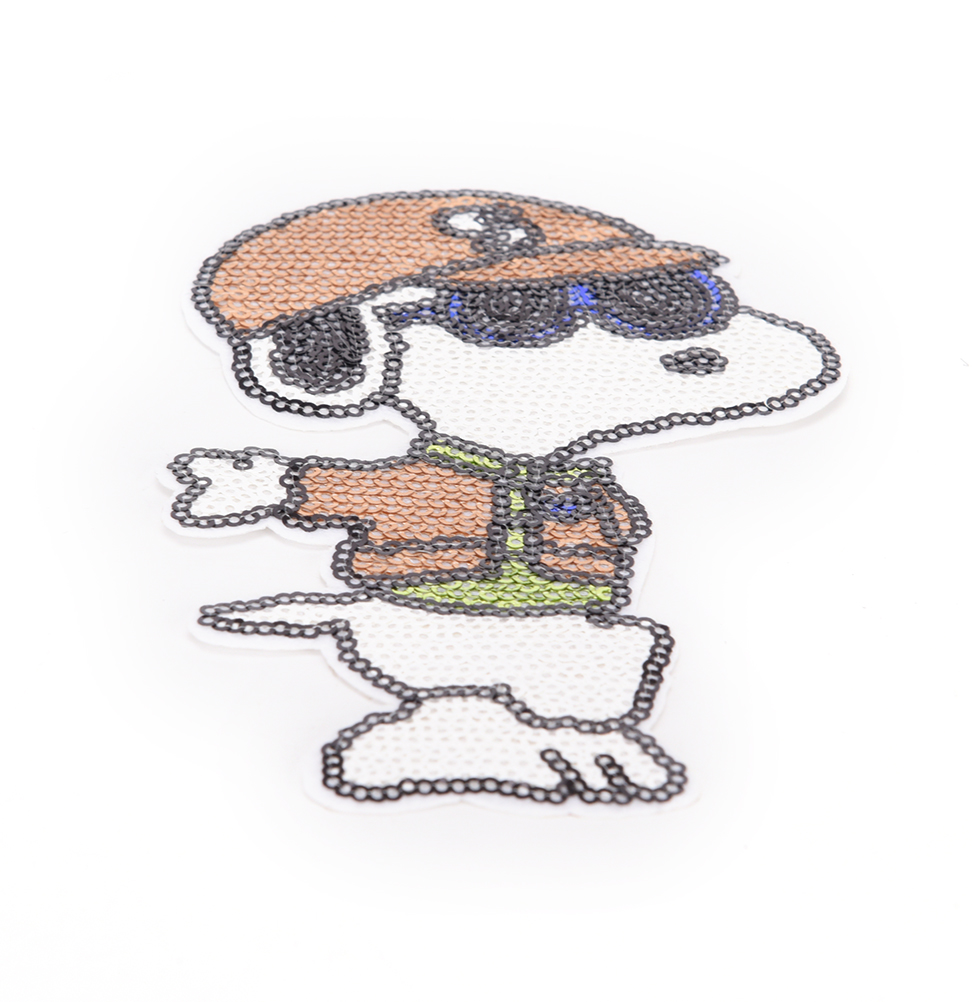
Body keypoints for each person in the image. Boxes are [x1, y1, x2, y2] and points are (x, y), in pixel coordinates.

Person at [169, 190, 841, 806]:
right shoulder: (427, 485)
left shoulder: (584, 482)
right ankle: (441, 739)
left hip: (572, 614)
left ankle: (583, 739)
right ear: (336, 358)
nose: (654, 341)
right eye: (515, 315)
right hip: (429, 611)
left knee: (603, 662)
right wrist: (268, 484)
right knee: (457, 672)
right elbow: (342, 491)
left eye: (662, 302)